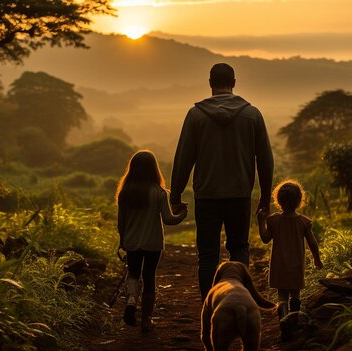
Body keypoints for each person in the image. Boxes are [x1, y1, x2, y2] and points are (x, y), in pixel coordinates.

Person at [170, 63, 274, 301]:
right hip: (240, 194)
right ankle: (239, 298)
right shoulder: (252, 114)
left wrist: (174, 197)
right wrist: (265, 197)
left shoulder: (195, 115)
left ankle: (211, 305)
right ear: (234, 83)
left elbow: (183, 159)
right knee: (239, 248)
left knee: (207, 254)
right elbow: (266, 160)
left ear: (210, 83)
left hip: (206, 196)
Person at [116, 150, 187, 332]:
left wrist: (123, 240)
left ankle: (131, 301)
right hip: (153, 244)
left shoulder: (125, 193)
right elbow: (169, 220)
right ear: (154, 169)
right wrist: (183, 214)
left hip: (132, 242)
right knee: (149, 278)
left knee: (133, 274)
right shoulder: (160, 193)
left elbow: (121, 222)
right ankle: (146, 321)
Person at [257, 179, 323, 325]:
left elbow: (265, 238)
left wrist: (261, 221)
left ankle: (283, 315)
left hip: (279, 266)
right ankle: (293, 319)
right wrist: (317, 259)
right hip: (296, 266)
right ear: (299, 201)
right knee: (295, 293)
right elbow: (312, 243)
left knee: (282, 296)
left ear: (278, 201)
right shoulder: (304, 222)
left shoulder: (273, 220)